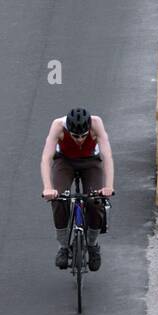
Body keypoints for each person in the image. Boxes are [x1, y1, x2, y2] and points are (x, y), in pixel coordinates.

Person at [40, 109, 115, 271]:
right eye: (75, 136)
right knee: (58, 200)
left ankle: (93, 245)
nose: (80, 139)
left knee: (96, 202)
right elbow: (46, 158)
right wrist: (48, 188)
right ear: (68, 130)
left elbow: (107, 156)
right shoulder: (58, 126)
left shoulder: (96, 123)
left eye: (83, 135)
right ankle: (64, 246)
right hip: (65, 162)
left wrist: (108, 186)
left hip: (90, 162)